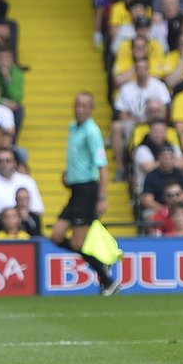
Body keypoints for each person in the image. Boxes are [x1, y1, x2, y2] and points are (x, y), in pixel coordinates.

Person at [50, 92, 120, 295]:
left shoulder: (92, 131)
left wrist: (102, 196)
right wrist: (69, 175)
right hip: (75, 189)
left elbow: (103, 167)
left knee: (76, 242)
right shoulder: (73, 127)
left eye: (83, 105)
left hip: (87, 190)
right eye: (77, 104)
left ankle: (107, 280)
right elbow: (77, 158)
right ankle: (100, 265)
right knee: (56, 236)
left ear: (91, 109)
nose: (79, 108)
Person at [0, 149, 44, 228]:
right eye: (0, 161)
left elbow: (37, 210)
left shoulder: (28, 181)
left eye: (8, 161)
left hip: (24, 229)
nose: (4, 164)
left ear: (15, 163)